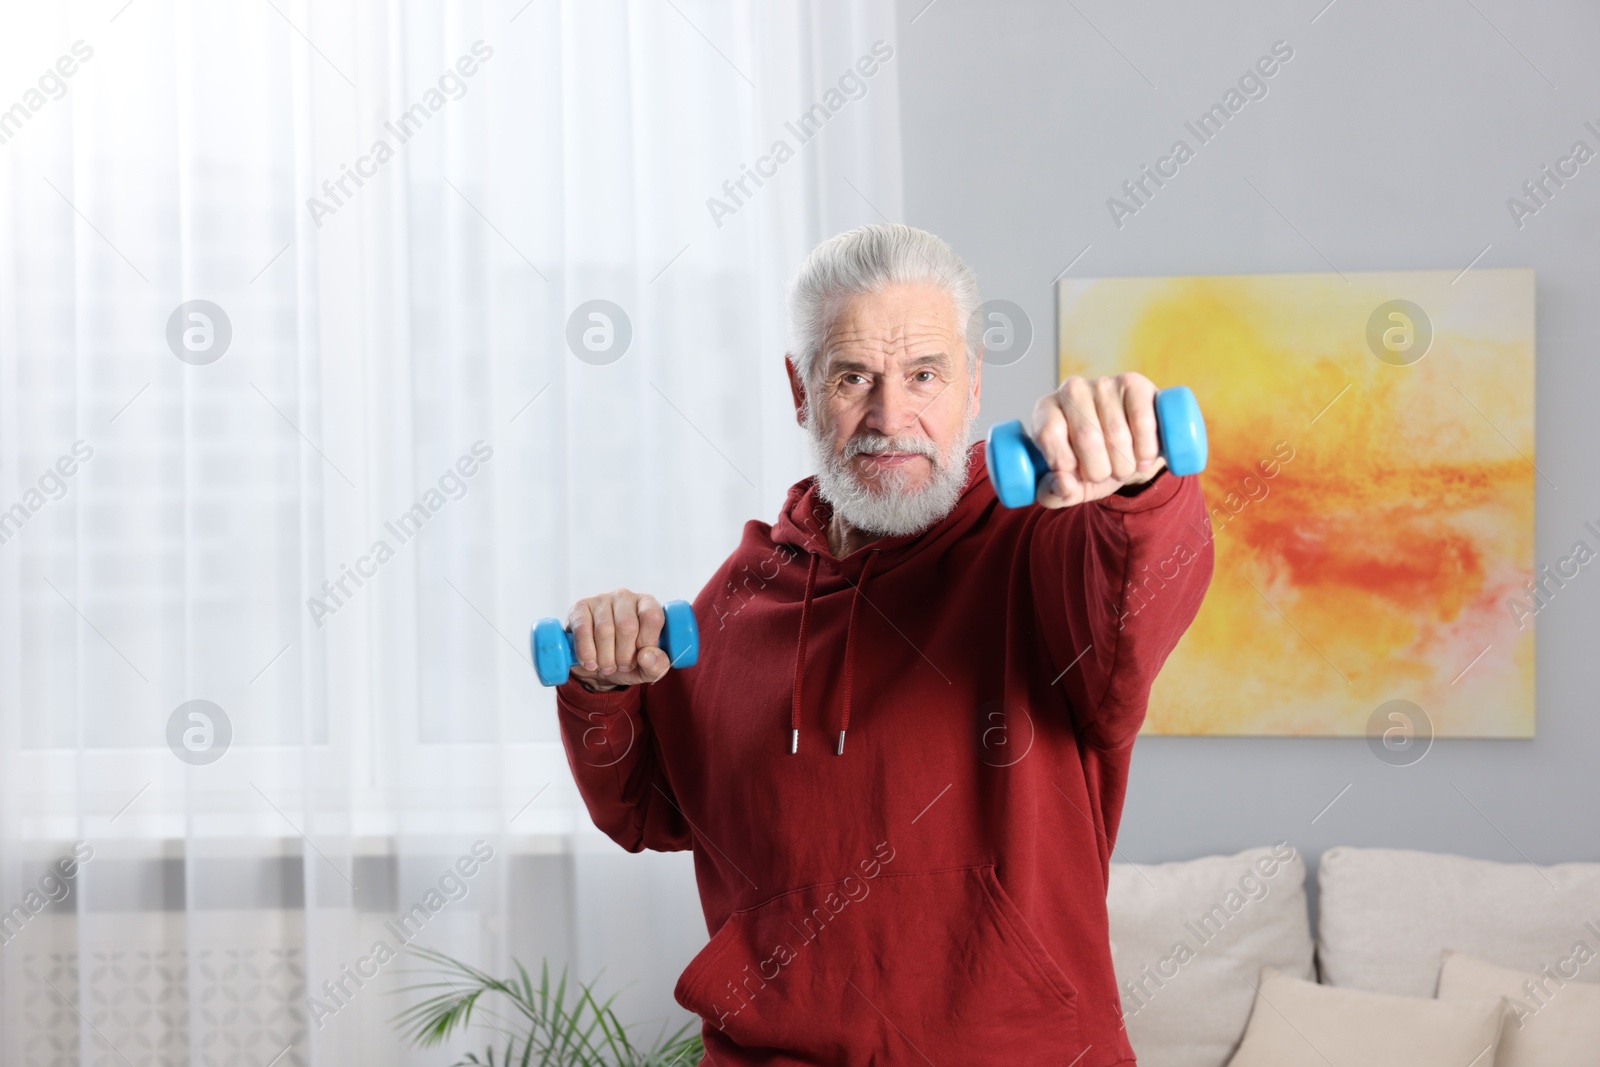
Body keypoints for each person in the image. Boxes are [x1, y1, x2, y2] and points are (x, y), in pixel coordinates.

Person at [556, 224, 1213, 1065]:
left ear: (974, 385)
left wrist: (1136, 485)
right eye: (853, 376)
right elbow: (649, 807)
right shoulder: (740, 595)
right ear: (799, 389)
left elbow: (1131, 610)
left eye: (925, 375)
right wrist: (603, 688)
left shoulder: (1038, 546)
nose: (889, 416)